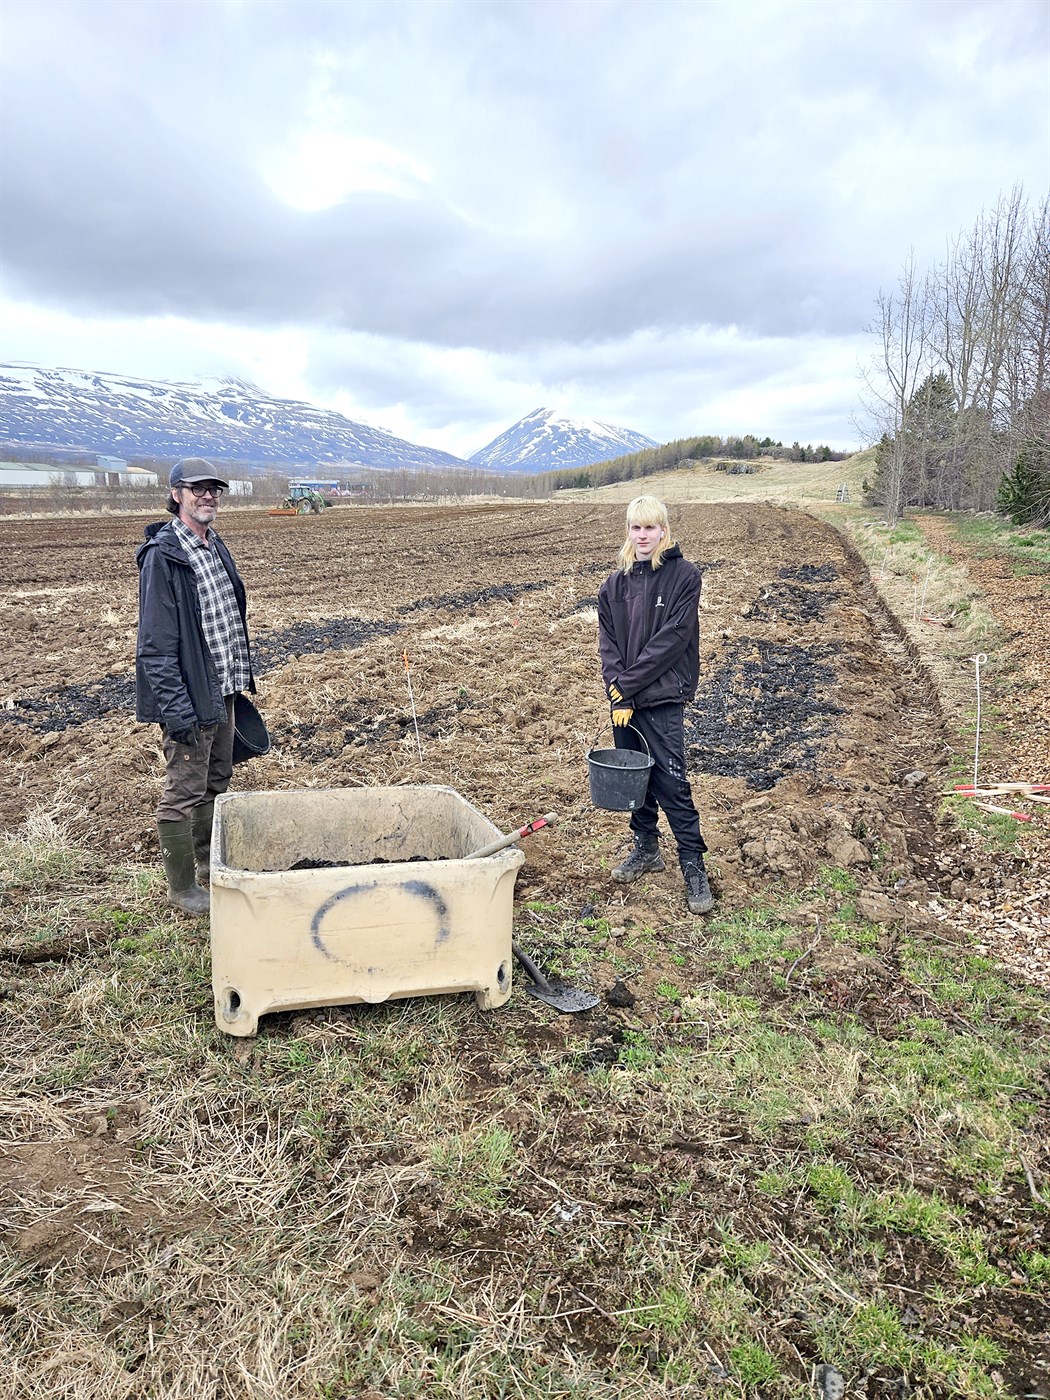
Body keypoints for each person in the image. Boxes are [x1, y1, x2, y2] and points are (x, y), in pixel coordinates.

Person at [135, 459, 256, 914]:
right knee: (183, 790)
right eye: (198, 489)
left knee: (216, 780)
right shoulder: (164, 556)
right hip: (188, 696)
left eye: (215, 490)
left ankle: (208, 868)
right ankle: (182, 889)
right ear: (177, 494)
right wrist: (176, 709)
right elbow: (155, 645)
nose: (209, 496)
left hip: (223, 687)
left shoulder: (213, 544)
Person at [597, 495, 714, 915]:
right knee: (634, 778)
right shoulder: (614, 586)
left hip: (661, 696)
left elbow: (672, 641)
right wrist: (618, 692)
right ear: (628, 532)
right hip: (624, 701)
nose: (643, 535)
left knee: (671, 781)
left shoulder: (684, 577)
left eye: (650, 528)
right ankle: (645, 848)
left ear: (664, 531)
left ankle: (693, 864)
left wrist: (626, 687)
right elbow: (608, 645)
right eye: (635, 527)